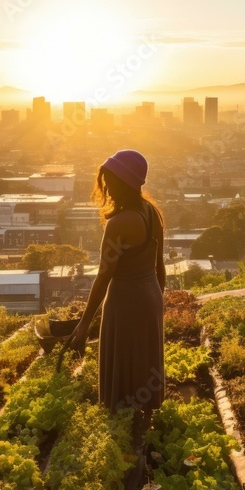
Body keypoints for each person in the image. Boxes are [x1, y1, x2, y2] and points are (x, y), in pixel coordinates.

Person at [68, 149, 165, 430]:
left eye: (111, 180)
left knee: (123, 367)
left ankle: (123, 431)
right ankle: (142, 427)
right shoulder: (151, 213)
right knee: (143, 366)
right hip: (149, 297)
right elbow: (160, 266)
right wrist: (159, 301)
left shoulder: (119, 224)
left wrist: (85, 324)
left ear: (125, 183)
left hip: (125, 302)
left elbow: (103, 278)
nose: (107, 187)